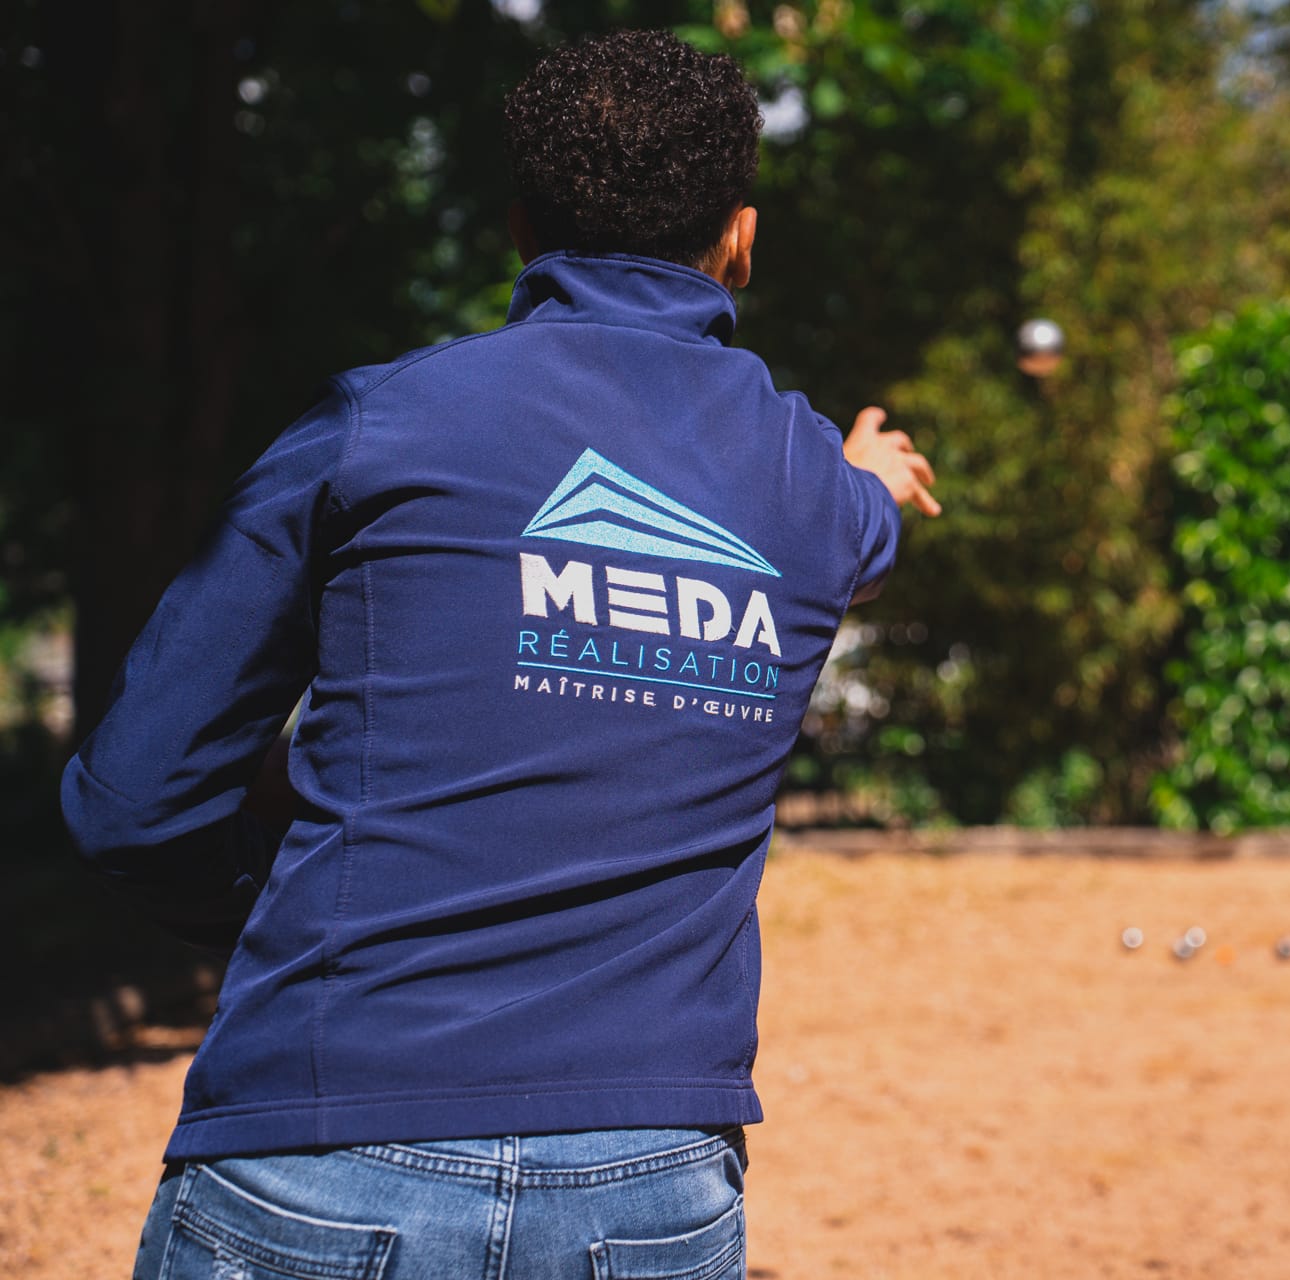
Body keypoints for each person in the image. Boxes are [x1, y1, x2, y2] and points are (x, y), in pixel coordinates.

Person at [60, 29, 938, 1280]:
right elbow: (868, 520)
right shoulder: (813, 490)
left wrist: (295, 898)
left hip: (321, 1136)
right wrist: (879, 479)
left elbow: (132, 799)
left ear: (520, 226)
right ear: (743, 236)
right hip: (651, 1185)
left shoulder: (375, 428)